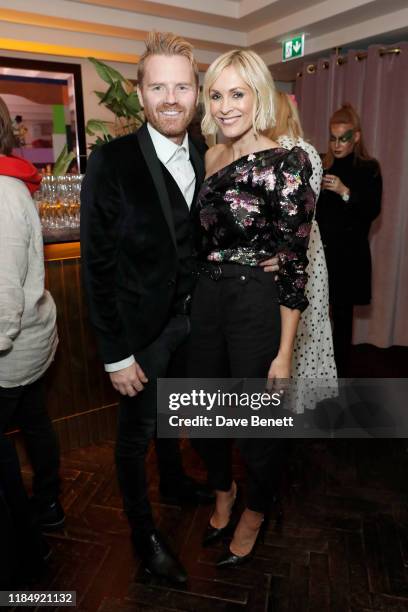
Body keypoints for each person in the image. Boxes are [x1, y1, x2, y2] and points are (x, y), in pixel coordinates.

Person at [81, 32, 216, 584]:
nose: (170, 97)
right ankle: (144, 534)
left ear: (196, 93)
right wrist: (115, 355)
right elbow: (97, 268)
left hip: (193, 321)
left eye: (181, 86)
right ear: (139, 95)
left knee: (176, 413)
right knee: (135, 435)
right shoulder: (110, 162)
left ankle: (176, 481)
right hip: (138, 333)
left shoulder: (211, 153)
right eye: (158, 86)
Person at [188, 50, 315, 567]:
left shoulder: (289, 161)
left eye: (236, 93)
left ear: (259, 95)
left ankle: (257, 509)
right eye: (216, 95)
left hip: (254, 303)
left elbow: (293, 263)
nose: (224, 107)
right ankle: (224, 490)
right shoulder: (208, 156)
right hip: (207, 297)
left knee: (257, 427)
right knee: (201, 415)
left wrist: (284, 355)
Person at [0, 96, 60, 581]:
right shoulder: (13, 181)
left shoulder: (1, 193)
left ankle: (25, 548)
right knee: (36, 423)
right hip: (30, 344)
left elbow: (2, 303)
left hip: (10, 351)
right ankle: (48, 505)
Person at [268, 92, 337, 412]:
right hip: (312, 247)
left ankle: (284, 398)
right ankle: (302, 398)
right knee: (308, 324)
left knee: (287, 325)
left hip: (289, 247)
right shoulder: (311, 151)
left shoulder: (280, 151)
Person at [316, 103, 382, 376]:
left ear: (356, 136)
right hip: (322, 254)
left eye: (343, 138)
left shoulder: (368, 168)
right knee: (316, 315)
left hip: (349, 255)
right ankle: (317, 369)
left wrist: (344, 191)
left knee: (342, 317)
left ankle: (340, 376)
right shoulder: (323, 163)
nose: (337, 144)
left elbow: (371, 210)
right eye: (333, 138)